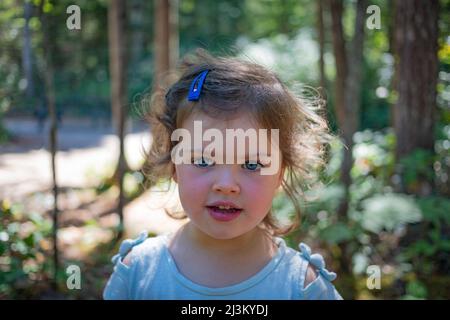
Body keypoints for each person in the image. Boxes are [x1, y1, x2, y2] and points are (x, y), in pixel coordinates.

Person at [103, 49, 342, 300]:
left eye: (251, 165)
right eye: (204, 160)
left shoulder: (301, 286)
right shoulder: (138, 273)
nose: (226, 185)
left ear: (280, 175)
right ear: (175, 166)